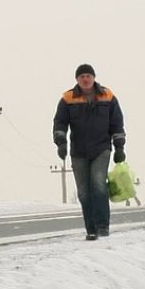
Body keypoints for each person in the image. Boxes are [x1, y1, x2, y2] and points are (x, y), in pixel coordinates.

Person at [53, 63, 126, 241]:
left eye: (88, 76)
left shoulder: (107, 96)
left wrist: (119, 147)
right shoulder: (67, 99)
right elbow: (60, 123)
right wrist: (61, 143)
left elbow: (117, 123)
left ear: (93, 78)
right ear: (77, 80)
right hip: (79, 152)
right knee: (84, 192)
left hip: (102, 149)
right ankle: (91, 229)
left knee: (98, 184)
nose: (85, 79)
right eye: (82, 76)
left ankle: (102, 227)